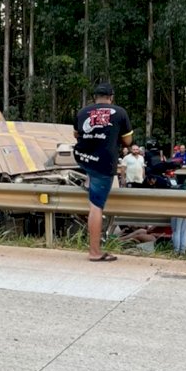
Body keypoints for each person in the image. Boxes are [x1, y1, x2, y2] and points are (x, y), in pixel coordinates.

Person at [73, 82, 133, 262]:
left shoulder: (83, 112)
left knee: (93, 191)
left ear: (94, 97)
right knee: (96, 206)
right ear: (111, 97)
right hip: (104, 162)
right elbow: (128, 141)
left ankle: (89, 183)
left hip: (83, 157)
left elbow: (77, 135)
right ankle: (94, 251)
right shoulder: (120, 112)